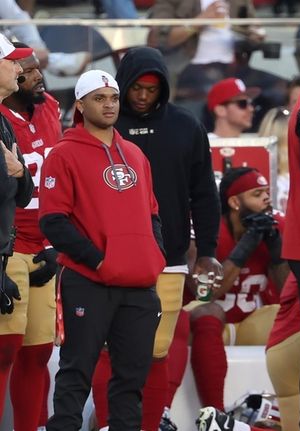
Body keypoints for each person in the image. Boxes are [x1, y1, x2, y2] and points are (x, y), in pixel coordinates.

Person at [89, 46, 223, 431]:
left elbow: (204, 194)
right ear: (123, 84)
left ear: (164, 87)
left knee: (156, 352)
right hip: (105, 258)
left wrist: (208, 251)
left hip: (169, 258)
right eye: (137, 87)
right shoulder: (101, 125)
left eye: (152, 88)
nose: (144, 95)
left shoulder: (186, 126)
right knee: (107, 351)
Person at [39, 69, 165, 431]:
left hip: (139, 285)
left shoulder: (136, 154)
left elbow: (152, 213)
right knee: (77, 370)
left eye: (112, 98)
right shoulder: (63, 154)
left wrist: (153, 254)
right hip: (88, 281)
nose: (109, 105)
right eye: (98, 98)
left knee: (131, 380)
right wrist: (99, 260)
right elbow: (53, 221)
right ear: (80, 105)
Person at [187, 167, 286, 414]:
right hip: (204, 324)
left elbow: (287, 292)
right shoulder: (205, 230)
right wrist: (244, 247)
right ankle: (214, 414)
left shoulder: (276, 225)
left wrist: (276, 254)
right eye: (257, 193)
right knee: (209, 311)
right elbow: (205, 292)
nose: (266, 199)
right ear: (234, 201)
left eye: (267, 192)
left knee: (298, 317)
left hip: (249, 323)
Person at [0, 43, 60, 431]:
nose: (35, 76)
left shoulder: (51, 108)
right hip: (10, 244)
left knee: (39, 352)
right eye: (26, 70)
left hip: (46, 243)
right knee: (6, 350)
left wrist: (58, 243)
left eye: (37, 69)